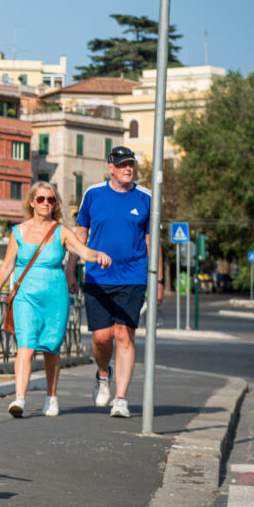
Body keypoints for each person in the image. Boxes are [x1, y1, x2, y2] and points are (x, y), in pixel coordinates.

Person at [0, 181, 110, 418]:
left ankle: (51, 398)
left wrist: (99, 255)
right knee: (25, 345)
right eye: (41, 199)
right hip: (25, 297)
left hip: (55, 299)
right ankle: (19, 399)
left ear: (55, 204)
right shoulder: (18, 232)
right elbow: (7, 266)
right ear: (32, 202)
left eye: (50, 199)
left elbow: (83, 251)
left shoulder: (61, 231)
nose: (45, 203)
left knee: (51, 349)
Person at [67, 146, 164, 419]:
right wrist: (70, 269)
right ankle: (102, 374)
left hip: (133, 276)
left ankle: (120, 398)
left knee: (124, 334)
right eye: (122, 165)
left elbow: (152, 242)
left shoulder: (146, 197)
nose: (128, 169)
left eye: (131, 164)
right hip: (97, 277)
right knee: (101, 337)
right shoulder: (93, 194)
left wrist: (158, 280)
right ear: (110, 168)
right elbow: (80, 235)